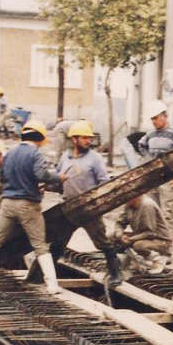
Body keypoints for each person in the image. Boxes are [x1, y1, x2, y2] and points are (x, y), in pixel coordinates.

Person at [0, 120, 62, 292]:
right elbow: (41, 174)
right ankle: (52, 285)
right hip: (27, 205)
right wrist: (57, 178)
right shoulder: (35, 155)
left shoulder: (10, 154)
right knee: (40, 245)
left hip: (7, 204)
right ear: (38, 139)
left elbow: (3, 177)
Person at [57, 120, 122, 284]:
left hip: (89, 209)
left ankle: (116, 273)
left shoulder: (95, 159)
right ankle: (44, 275)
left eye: (89, 138)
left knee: (102, 243)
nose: (88, 141)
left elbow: (104, 183)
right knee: (58, 242)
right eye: (84, 138)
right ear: (74, 139)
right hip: (69, 208)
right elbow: (58, 178)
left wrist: (99, 204)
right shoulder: (65, 156)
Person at [137, 100, 173, 222]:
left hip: (169, 179)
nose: (153, 121)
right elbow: (141, 145)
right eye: (152, 119)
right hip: (153, 178)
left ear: (164, 116)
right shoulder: (150, 134)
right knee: (151, 210)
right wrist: (148, 159)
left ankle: (165, 238)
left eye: (156, 118)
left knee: (166, 215)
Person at [114, 194, 171, 274]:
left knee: (139, 245)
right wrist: (120, 235)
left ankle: (158, 261)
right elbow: (119, 223)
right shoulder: (129, 204)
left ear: (135, 197)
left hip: (160, 240)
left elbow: (150, 233)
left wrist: (131, 239)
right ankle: (131, 261)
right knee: (112, 236)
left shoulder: (147, 205)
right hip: (143, 236)